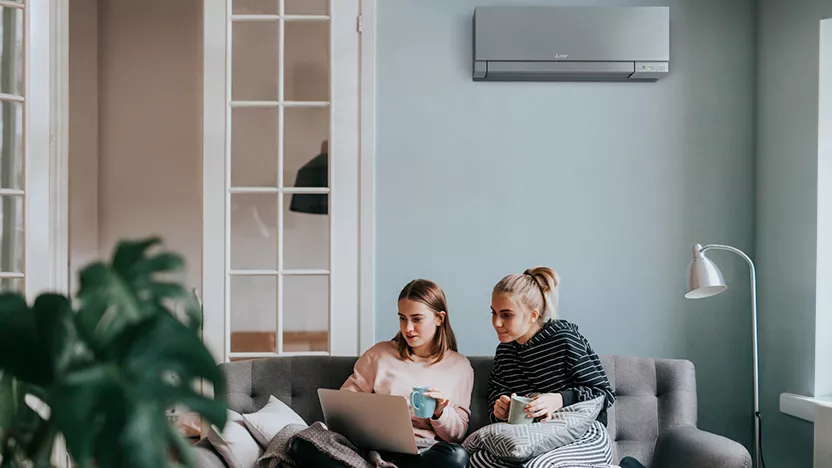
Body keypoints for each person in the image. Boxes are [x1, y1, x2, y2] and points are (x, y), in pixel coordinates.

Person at [470, 266, 617, 468]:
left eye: (506, 315)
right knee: (477, 461)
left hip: (584, 434)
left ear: (532, 315)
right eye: (493, 313)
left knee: (537, 467)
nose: (496, 322)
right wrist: (499, 410)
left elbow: (604, 394)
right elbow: (496, 397)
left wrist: (559, 399)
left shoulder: (564, 339)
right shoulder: (504, 352)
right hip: (532, 438)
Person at [340, 279, 473, 468]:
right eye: (402, 318)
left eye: (416, 319)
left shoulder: (460, 366)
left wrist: (440, 412)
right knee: (303, 443)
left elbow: (457, 434)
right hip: (373, 448)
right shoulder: (379, 354)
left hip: (423, 452)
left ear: (439, 318)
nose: (407, 328)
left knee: (456, 457)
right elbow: (344, 403)